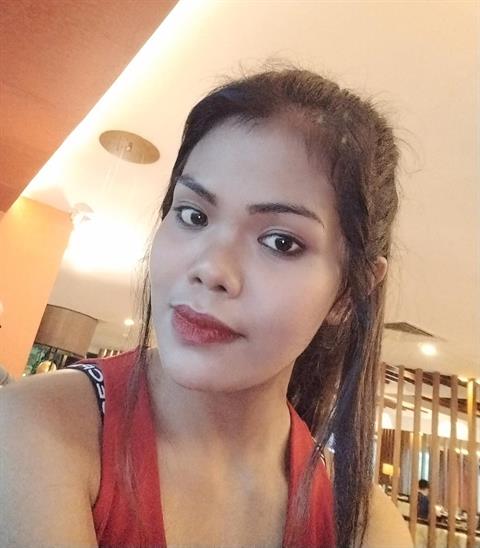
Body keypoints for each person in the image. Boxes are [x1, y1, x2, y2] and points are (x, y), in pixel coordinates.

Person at [1, 67, 413, 547]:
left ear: (349, 292)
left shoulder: (365, 527)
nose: (212, 269)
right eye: (194, 215)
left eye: (281, 242)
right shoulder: (34, 427)